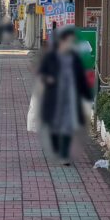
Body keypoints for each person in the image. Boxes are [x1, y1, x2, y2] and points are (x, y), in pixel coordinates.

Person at [37, 27, 94, 165]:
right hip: (54, 97)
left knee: (68, 125)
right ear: (62, 41)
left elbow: (81, 78)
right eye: (69, 41)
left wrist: (87, 95)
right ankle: (56, 146)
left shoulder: (74, 58)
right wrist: (47, 79)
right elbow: (42, 73)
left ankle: (64, 155)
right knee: (54, 125)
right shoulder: (51, 57)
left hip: (71, 97)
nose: (71, 44)